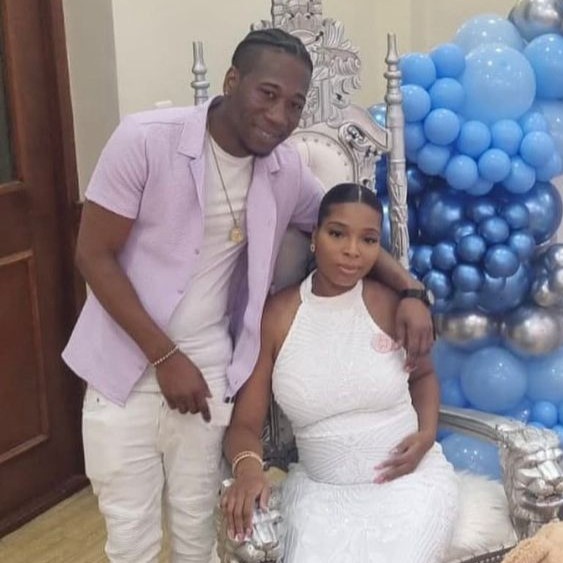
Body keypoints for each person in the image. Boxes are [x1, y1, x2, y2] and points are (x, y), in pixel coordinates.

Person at [63, 28, 433, 563]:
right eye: (267, 94)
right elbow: (92, 255)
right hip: (122, 364)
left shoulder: (285, 169)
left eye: (294, 104)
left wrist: (411, 290)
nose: (280, 116)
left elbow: (347, 231)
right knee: (130, 540)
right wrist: (165, 357)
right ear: (232, 80)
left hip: (209, 373)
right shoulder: (145, 140)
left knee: (196, 535)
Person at [222, 183, 459, 563]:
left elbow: (423, 377)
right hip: (320, 495)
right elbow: (244, 426)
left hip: (412, 487)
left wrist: (428, 435)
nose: (352, 250)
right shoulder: (277, 318)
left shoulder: (390, 304)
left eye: (368, 240)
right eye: (337, 234)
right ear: (314, 237)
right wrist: (248, 471)